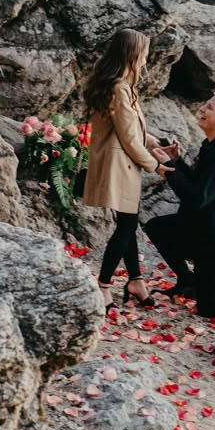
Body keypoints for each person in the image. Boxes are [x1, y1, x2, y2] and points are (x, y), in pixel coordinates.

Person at [83, 28, 175, 312]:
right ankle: (104, 285)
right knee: (125, 226)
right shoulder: (119, 88)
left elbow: (131, 130)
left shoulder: (121, 85)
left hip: (121, 162)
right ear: (132, 54)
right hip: (119, 165)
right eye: (144, 55)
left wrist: (157, 142)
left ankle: (135, 281)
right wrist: (156, 166)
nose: (146, 61)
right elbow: (128, 139)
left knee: (128, 223)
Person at [146, 88, 215, 318]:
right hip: (204, 230)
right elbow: (201, 185)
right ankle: (188, 281)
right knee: (157, 227)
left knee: (209, 308)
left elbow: (197, 198)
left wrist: (169, 168)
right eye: (205, 104)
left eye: (210, 107)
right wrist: (176, 161)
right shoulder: (214, 145)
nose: (202, 108)